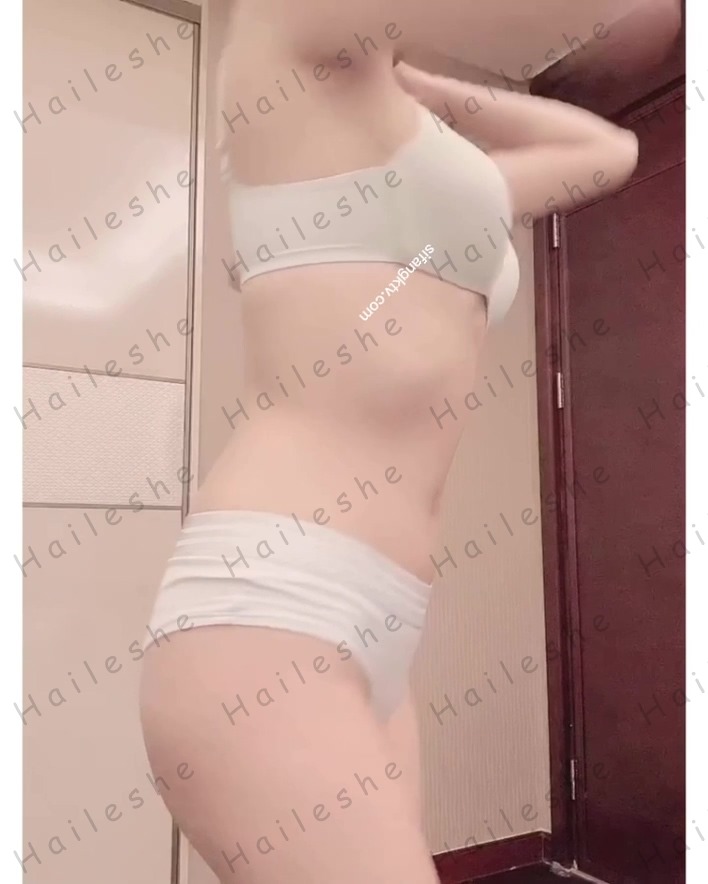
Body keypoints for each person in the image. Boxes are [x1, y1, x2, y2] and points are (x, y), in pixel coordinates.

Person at [139, 1, 678, 881]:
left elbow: (603, 153)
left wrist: (435, 91)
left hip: (382, 620)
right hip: (274, 606)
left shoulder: (435, 163)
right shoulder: (285, 47)